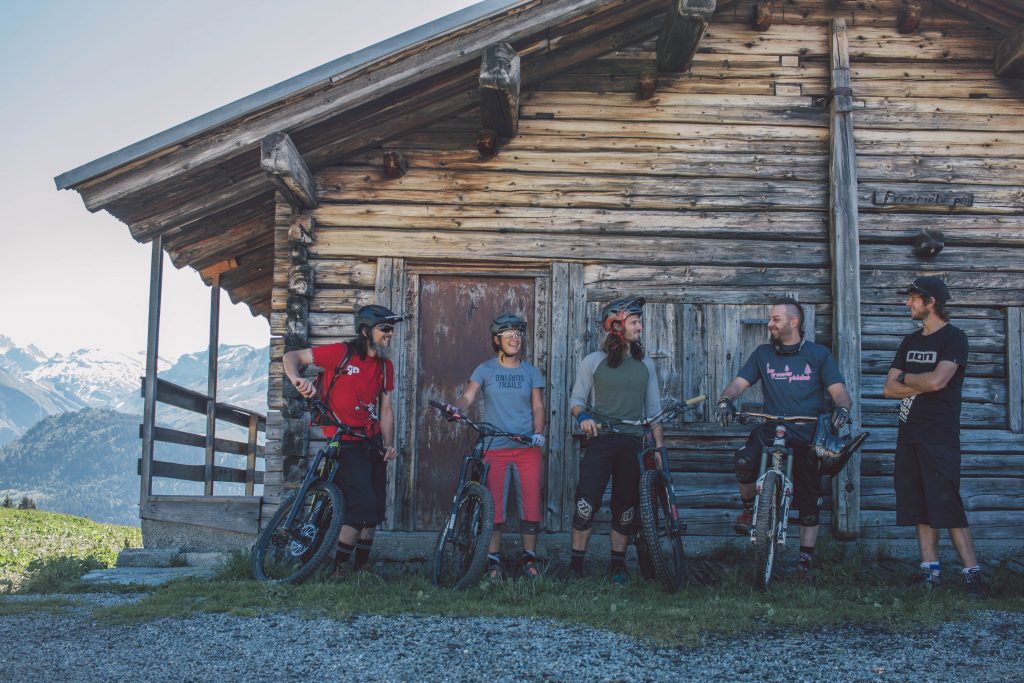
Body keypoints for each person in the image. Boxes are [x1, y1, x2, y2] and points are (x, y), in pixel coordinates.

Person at [714, 298, 852, 581]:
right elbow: (739, 384)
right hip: (771, 429)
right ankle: (750, 509)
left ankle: (804, 560)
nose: (770, 324)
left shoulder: (818, 354)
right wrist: (726, 400)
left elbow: (839, 390)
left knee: (810, 499)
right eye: (769, 318)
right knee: (743, 460)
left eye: (775, 319)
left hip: (807, 434)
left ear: (794, 322)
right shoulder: (763, 354)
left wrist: (843, 409)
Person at [882, 276, 984, 597]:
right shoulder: (910, 341)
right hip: (908, 433)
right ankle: (931, 574)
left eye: (912, 298)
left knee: (946, 501)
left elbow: (939, 382)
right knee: (919, 505)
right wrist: (919, 382)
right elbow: (888, 389)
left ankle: (972, 576)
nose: (907, 303)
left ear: (931, 302)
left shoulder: (954, 339)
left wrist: (908, 379)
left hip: (939, 434)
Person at [282, 304, 402, 577]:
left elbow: (385, 409)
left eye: (392, 329)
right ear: (365, 331)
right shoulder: (341, 353)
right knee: (362, 504)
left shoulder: (385, 366)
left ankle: (360, 568)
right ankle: (337, 570)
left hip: (371, 440)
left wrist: (388, 444)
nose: (390, 334)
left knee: (377, 508)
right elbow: (292, 356)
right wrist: (298, 380)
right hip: (343, 438)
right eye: (384, 328)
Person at [569, 296, 662, 583]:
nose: (641, 327)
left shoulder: (645, 363)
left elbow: (654, 411)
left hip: (633, 444)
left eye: (639, 322)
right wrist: (583, 417)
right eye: (635, 322)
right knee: (586, 504)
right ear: (617, 326)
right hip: (601, 440)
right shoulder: (592, 362)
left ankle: (617, 567)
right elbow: (576, 400)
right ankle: (575, 568)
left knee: (626, 507)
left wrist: (658, 447)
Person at [452, 313, 546, 580]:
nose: (515, 339)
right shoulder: (485, 369)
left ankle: (530, 561)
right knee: (494, 508)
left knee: (530, 507)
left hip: (527, 447)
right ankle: (494, 563)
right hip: (495, 446)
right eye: (509, 335)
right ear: (497, 340)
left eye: (518, 335)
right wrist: (454, 408)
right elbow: (468, 397)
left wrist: (538, 433)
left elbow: (538, 405)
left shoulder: (531, 371)